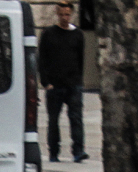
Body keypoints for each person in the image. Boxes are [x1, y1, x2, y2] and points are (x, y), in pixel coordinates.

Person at [39, 1, 87, 163]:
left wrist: (79, 80)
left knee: (76, 118)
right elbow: (42, 59)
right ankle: (54, 152)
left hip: (73, 83)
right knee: (53, 120)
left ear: (71, 14)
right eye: (61, 14)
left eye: (67, 14)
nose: (64, 17)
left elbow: (80, 58)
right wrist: (46, 82)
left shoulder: (78, 34)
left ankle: (78, 150)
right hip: (55, 84)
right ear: (57, 14)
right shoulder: (49, 34)